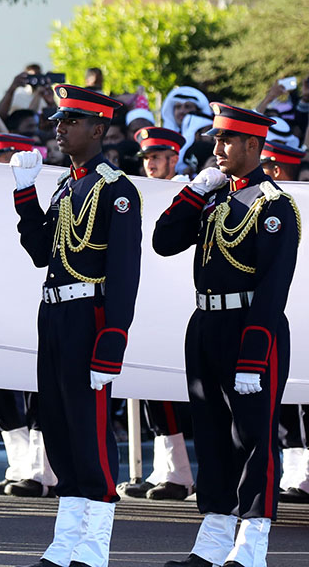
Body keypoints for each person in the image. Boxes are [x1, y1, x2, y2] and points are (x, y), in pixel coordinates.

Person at [154, 103, 300, 567]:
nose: (216, 149)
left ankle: (251, 545)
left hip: (250, 329)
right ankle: (212, 544)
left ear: (254, 146)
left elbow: (273, 286)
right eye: (215, 139)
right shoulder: (213, 198)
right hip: (206, 326)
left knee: (255, 438)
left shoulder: (274, 207)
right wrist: (195, 191)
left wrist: (254, 356)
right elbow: (164, 241)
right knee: (213, 436)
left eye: (227, 141)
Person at [9, 84, 141, 567]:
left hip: (91, 317)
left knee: (89, 429)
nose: (59, 128)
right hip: (56, 314)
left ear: (99, 129)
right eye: (59, 120)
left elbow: (126, 272)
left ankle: (95, 543)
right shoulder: (68, 185)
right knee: (59, 427)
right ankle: (66, 539)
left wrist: (114, 338)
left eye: (71, 121)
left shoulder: (117, 190)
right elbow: (42, 252)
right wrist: (25, 194)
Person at [120, 127, 196, 503]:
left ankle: (181, 473)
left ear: (174, 159)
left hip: (180, 304)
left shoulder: (189, 191)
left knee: (177, 393)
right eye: (147, 157)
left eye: (157, 156)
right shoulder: (141, 192)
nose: (149, 163)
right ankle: (169, 469)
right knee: (150, 391)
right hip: (148, 302)